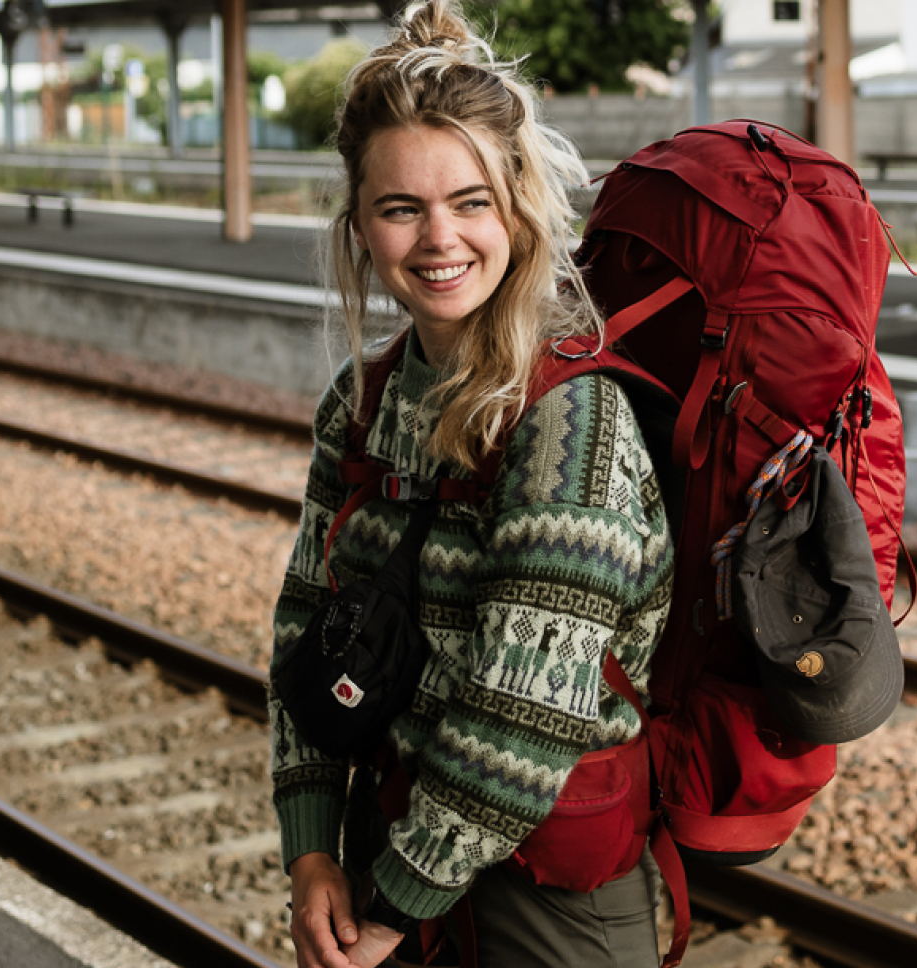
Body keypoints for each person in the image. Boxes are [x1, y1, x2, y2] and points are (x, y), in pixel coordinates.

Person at [266, 3, 675, 967]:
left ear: (519, 207)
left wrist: (396, 903)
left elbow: (525, 710)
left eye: (471, 202)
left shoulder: (570, 419)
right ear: (361, 226)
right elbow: (303, 625)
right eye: (401, 208)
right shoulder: (360, 402)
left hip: (547, 900)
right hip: (393, 846)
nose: (438, 237)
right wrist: (312, 846)